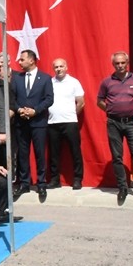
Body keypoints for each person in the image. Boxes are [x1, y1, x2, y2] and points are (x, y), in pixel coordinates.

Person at [97, 50, 133, 210]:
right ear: (113, 64)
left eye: (122, 63)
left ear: (127, 63)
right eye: (117, 63)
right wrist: (111, 109)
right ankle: (122, 188)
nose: (120, 65)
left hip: (132, 122)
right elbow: (99, 100)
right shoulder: (107, 82)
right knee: (117, 157)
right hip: (114, 123)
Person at [9, 49, 53, 202]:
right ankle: (24, 183)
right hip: (21, 122)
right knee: (22, 153)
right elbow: (12, 98)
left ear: (32, 60)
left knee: (40, 153)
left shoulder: (46, 78)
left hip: (38, 122)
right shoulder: (17, 78)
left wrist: (35, 111)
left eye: (22, 59)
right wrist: (20, 109)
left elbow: (49, 99)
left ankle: (41, 183)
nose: (19, 62)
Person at [46, 58, 85, 190]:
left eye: (61, 66)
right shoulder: (49, 83)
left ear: (66, 67)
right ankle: (55, 180)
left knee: (75, 152)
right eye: (56, 67)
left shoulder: (74, 82)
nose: (59, 69)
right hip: (52, 122)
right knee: (54, 154)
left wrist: (73, 114)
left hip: (70, 122)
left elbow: (81, 102)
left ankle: (78, 179)